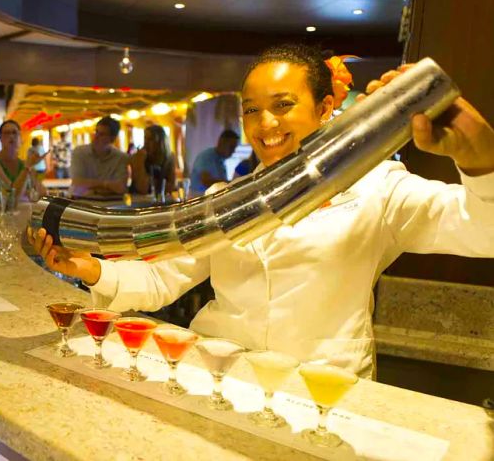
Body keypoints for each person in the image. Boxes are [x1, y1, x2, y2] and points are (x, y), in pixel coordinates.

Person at [28, 43, 494, 379]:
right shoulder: (231, 195)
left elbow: (482, 230)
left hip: (324, 386)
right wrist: (88, 269)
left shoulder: (379, 188)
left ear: (327, 106)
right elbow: (160, 279)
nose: (264, 124)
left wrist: (480, 157)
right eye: (251, 110)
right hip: (217, 373)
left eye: (283, 105)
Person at [70, 116, 129, 197]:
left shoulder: (121, 157)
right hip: (79, 202)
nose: (96, 137)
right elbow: (77, 183)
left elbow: (120, 188)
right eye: (96, 132)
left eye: (102, 134)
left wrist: (91, 186)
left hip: (110, 204)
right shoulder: (80, 152)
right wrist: (107, 185)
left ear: (112, 139)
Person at [0, 120, 33, 199]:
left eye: (14, 133)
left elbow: (38, 191)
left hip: (22, 209)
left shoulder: (23, 164)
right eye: (7, 133)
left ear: (20, 137)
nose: (11, 136)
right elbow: (11, 193)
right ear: (0, 138)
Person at [189, 129, 240, 196]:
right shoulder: (206, 157)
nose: (233, 151)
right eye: (231, 147)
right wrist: (231, 184)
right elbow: (206, 181)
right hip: (199, 198)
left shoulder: (221, 160)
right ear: (221, 143)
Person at [130, 124, 176, 196]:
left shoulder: (169, 157)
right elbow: (142, 188)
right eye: (145, 138)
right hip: (139, 200)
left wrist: (152, 182)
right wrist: (140, 162)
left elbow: (171, 187)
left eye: (150, 139)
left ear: (160, 142)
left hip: (161, 200)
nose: (146, 142)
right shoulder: (138, 157)